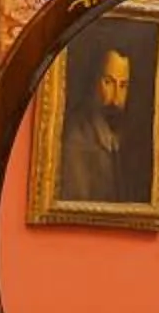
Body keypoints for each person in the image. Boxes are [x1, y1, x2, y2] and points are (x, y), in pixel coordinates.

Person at [58, 40, 147, 204]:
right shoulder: (76, 138)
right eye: (109, 82)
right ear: (93, 82)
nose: (116, 97)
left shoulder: (126, 137)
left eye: (123, 85)